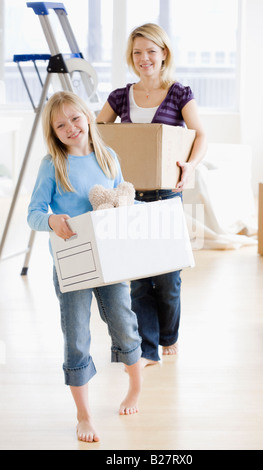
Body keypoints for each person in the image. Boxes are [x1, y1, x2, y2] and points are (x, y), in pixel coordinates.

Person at [27, 91, 142, 443]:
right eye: (60, 125)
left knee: (123, 322)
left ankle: (135, 387)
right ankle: (84, 414)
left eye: (75, 118)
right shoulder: (52, 165)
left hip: (109, 260)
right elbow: (33, 213)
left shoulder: (109, 158)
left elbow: (122, 199)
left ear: (88, 117)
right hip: (72, 265)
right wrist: (52, 220)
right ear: (53, 132)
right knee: (76, 336)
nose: (70, 128)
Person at [96, 24, 207, 368]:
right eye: (137, 53)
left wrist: (189, 166)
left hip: (166, 193)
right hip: (131, 195)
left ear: (163, 54)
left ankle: (168, 335)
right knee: (140, 278)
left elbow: (200, 134)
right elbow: (96, 136)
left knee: (168, 277)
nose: (144, 58)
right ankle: (146, 349)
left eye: (150, 51)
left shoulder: (179, 93)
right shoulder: (119, 96)